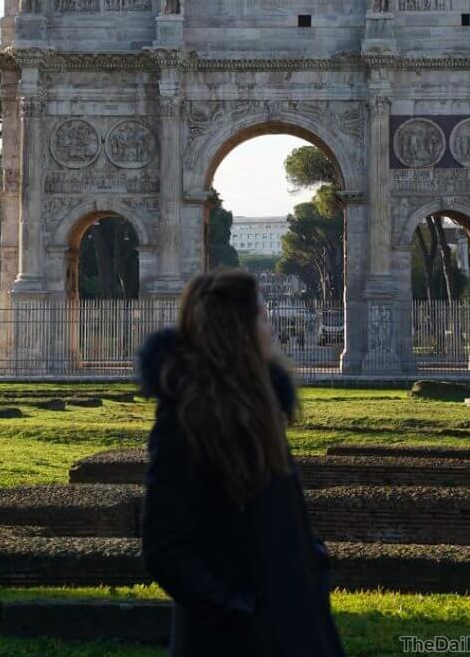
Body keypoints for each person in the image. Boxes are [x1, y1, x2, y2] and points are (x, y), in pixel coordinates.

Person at [137, 268, 346, 657]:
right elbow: (164, 548)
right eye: (263, 317)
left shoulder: (264, 409)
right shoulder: (183, 420)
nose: (270, 328)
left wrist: (311, 562)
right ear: (238, 329)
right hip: (233, 639)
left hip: (295, 624)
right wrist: (236, 610)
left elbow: (285, 516)